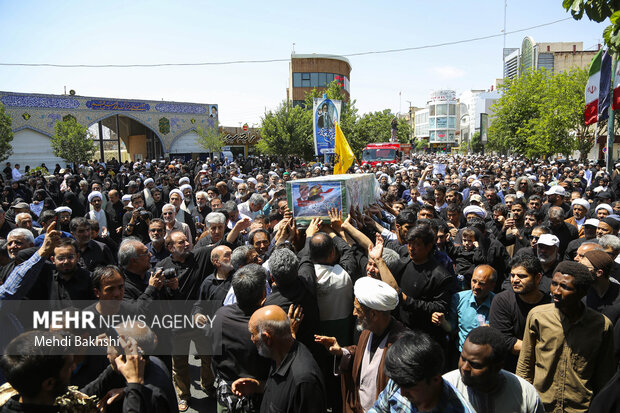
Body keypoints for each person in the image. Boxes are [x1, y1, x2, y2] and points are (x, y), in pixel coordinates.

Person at [516, 261, 615, 413]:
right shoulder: (538, 317)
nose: (556, 291)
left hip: (580, 408)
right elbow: (525, 365)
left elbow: (604, 375)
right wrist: (524, 401)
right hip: (541, 405)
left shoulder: (601, 325)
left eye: (565, 287)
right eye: (554, 284)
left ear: (582, 292)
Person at [315, 276, 406, 413]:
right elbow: (362, 357)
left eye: (358, 309)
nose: (354, 313)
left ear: (374, 315)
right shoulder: (367, 331)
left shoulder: (402, 347)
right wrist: (342, 352)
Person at [232, 305, 327, 413]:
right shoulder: (278, 354)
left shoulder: (304, 382)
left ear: (267, 338)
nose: (252, 339)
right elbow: (283, 392)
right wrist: (257, 387)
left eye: (253, 334)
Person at [443, 326, 544, 413]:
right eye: (463, 359)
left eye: (475, 365)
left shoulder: (526, 395)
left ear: (498, 367)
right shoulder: (445, 389)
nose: (464, 368)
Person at [368, 330, 474, 412]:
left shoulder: (458, 409)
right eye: (400, 385)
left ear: (435, 380)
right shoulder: (401, 380)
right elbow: (378, 409)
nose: (402, 393)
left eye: (410, 388)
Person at [489, 255, 550, 372]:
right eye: (512, 275)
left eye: (522, 276)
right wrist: (547, 350)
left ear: (538, 278)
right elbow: (505, 341)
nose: (515, 280)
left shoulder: (549, 304)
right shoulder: (502, 300)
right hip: (511, 370)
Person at [432, 265, 496, 352]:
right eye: (474, 281)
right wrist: (442, 321)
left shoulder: (498, 303)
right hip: (462, 353)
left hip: (486, 355)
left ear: (492, 286)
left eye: (482, 283)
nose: (476, 286)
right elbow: (451, 327)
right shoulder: (458, 298)